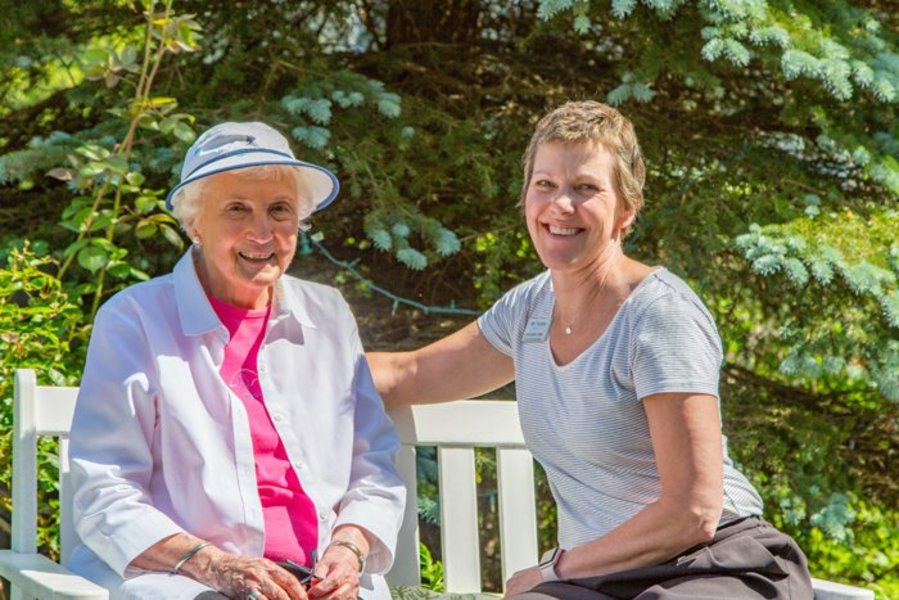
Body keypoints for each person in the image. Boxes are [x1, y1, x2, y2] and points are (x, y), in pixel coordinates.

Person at [367, 101, 814, 599]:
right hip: (603, 578)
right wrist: (275, 370)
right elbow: (407, 373)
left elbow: (693, 510)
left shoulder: (658, 316)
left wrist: (554, 568)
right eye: (545, 185)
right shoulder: (528, 310)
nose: (560, 205)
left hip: (714, 564)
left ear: (627, 208)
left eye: (585, 188)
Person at [68, 122, 405, 600]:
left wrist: (348, 551)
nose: (262, 231)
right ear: (194, 223)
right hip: (185, 582)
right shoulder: (135, 319)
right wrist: (216, 565)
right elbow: (104, 491)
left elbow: (372, 466)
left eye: (279, 210)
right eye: (237, 209)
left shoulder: (328, 315)